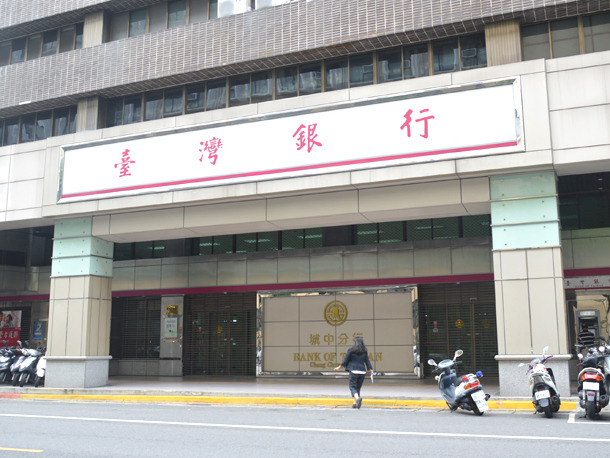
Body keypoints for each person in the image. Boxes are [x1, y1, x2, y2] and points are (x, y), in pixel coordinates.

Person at [334, 336, 374, 409]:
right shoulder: (364, 352)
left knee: (352, 386)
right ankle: (355, 403)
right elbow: (367, 361)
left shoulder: (351, 350)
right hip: (362, 372)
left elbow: (345, 360)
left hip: (353, 371)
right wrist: (371, 370)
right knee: (358, 387)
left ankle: (357, 399)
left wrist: (339, 367)